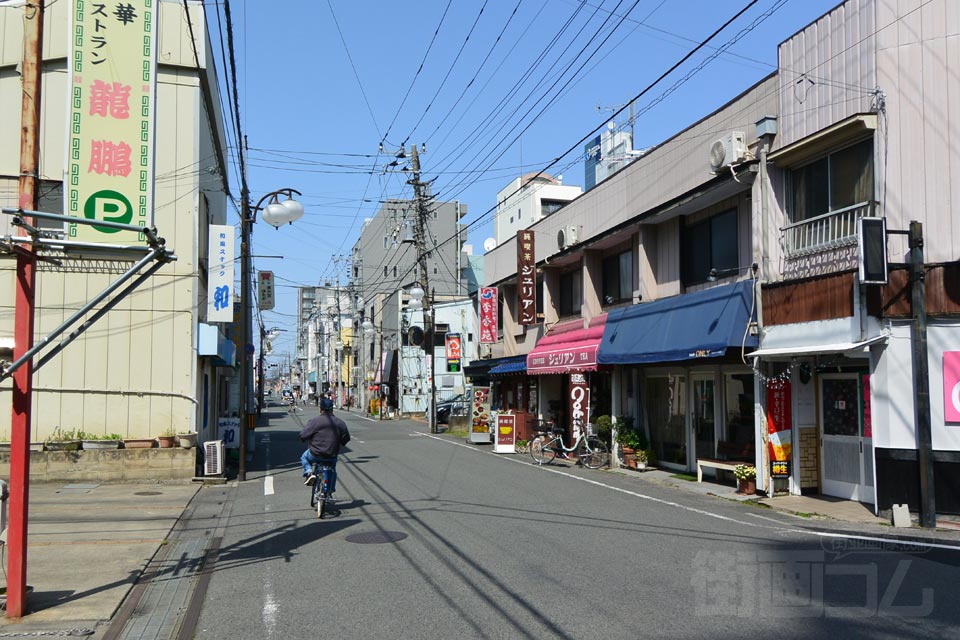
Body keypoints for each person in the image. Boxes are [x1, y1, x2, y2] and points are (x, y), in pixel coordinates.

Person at [299, 397, 350, 500]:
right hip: (331, 454)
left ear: (320, 409)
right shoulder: (340, 423)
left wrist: (306, 438)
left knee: (304, 457)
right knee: (332, 469)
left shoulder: (315, 421)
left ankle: (309, 472)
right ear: (332, 409)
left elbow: (303, 435)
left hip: (315, 454)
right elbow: (345, 439)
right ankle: (329, 491)